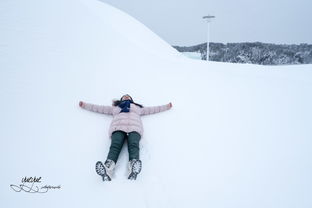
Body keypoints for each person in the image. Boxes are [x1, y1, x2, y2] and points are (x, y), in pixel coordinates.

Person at [79, 94, 172, 181]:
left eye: (128, 97)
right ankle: (108, 168)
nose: (126, 97)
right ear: (121, 100)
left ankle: (133, 166)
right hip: (118, 127)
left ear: (131, 100)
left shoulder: (138, 108)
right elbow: (99, 108)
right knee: (115, 146)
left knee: (134, 145)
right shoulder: (116, 108)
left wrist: (167, 106)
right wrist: (84, 105)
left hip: (134, 128)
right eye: (124, 97)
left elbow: (153, 109)